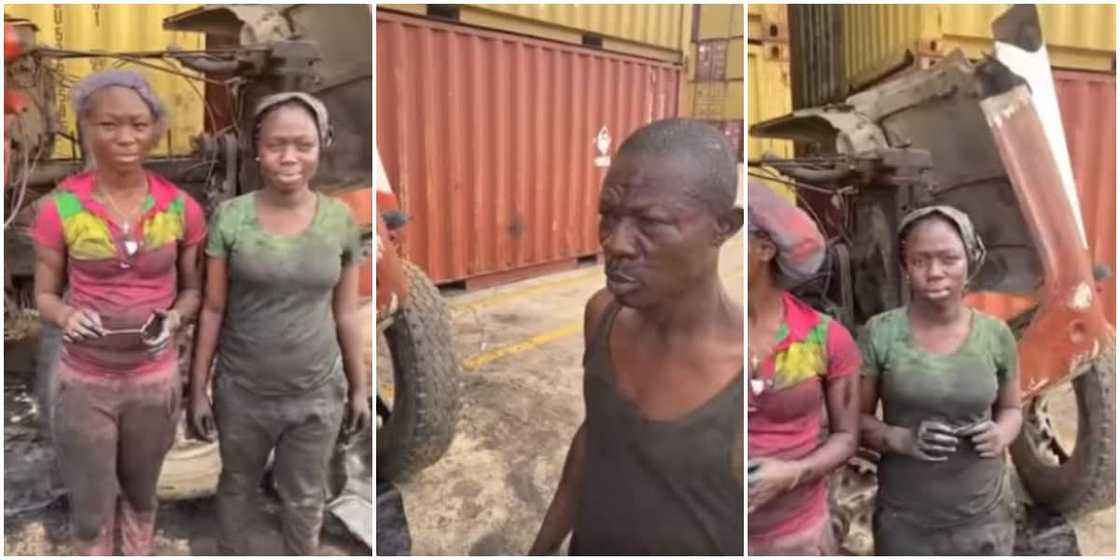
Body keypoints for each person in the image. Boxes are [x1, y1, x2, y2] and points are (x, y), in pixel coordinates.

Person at [529, 119, 744, 555]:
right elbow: (597, 435)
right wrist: (543, 547)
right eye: (608, 216)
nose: (616, 243)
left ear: (724, 227)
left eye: (651, 222)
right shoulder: (602, 314)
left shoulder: (752, 366)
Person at [187, 92, 371, 555]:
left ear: (322, 145)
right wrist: (197, 389)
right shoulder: (232, 218)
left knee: (305, 497)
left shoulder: (339, 220)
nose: (289, 157)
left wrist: (358, 387)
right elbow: (212, 309)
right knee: (236, 485)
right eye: (276, 145)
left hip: (315, 396)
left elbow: (345, 312)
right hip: (243, 393)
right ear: (257, 148)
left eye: (303, 144)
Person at [32, 69, 206, 554]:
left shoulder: (180, 208)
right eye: (108, 125)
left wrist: (174, 318)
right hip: (84, 384)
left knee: (141, 494)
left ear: (155, 128)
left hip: (153, 383)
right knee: (90, 509)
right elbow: (44, 296)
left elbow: (192, 291)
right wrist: (66, 317)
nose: (125, 137)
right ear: (86, 126)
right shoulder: (61, 208)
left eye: (137, 124)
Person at [858, 205, 1021, 555]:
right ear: (905, 268)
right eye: (920, 261)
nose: (934, 273)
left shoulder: (996, 335)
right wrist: (902, 439)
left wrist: (1001, 434)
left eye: (949, 259)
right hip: (906, 523)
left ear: (970, 262)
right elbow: (855, 421)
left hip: (985, 519)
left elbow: (1012, 409)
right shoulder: (880, 333)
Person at [745, 182, 861, 555]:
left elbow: (846, 438)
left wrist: (793, 473)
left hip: (795, 538)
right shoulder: (694, 331)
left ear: (765, 248)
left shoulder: (824, 338)